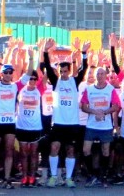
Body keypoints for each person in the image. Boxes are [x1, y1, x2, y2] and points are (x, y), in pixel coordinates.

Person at [43, 38, 90, 188]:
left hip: (72, 124)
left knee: (71, 150)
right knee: (54, 148)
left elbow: (84, 68)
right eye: (61, 71)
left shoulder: (74, 82)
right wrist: (45, 51)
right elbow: (49, 70)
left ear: (69, 71)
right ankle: (54, 176)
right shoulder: (56, 82)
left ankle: (69, 178)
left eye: (65, 71)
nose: (63, 74)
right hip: (58, 124)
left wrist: (83, 53)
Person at [80, 66, 121, 188]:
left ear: (106, 75)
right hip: (91, 125)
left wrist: (104, 112)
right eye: (98, 74)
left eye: (102, 74)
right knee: (86, 150)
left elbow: (116, 106)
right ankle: (92, 175)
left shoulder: (110, 89)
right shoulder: (89, 89)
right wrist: (94, 112)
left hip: (105, 126)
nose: (100, 76)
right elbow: (83, 106)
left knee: (105, 150)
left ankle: (103, 176)